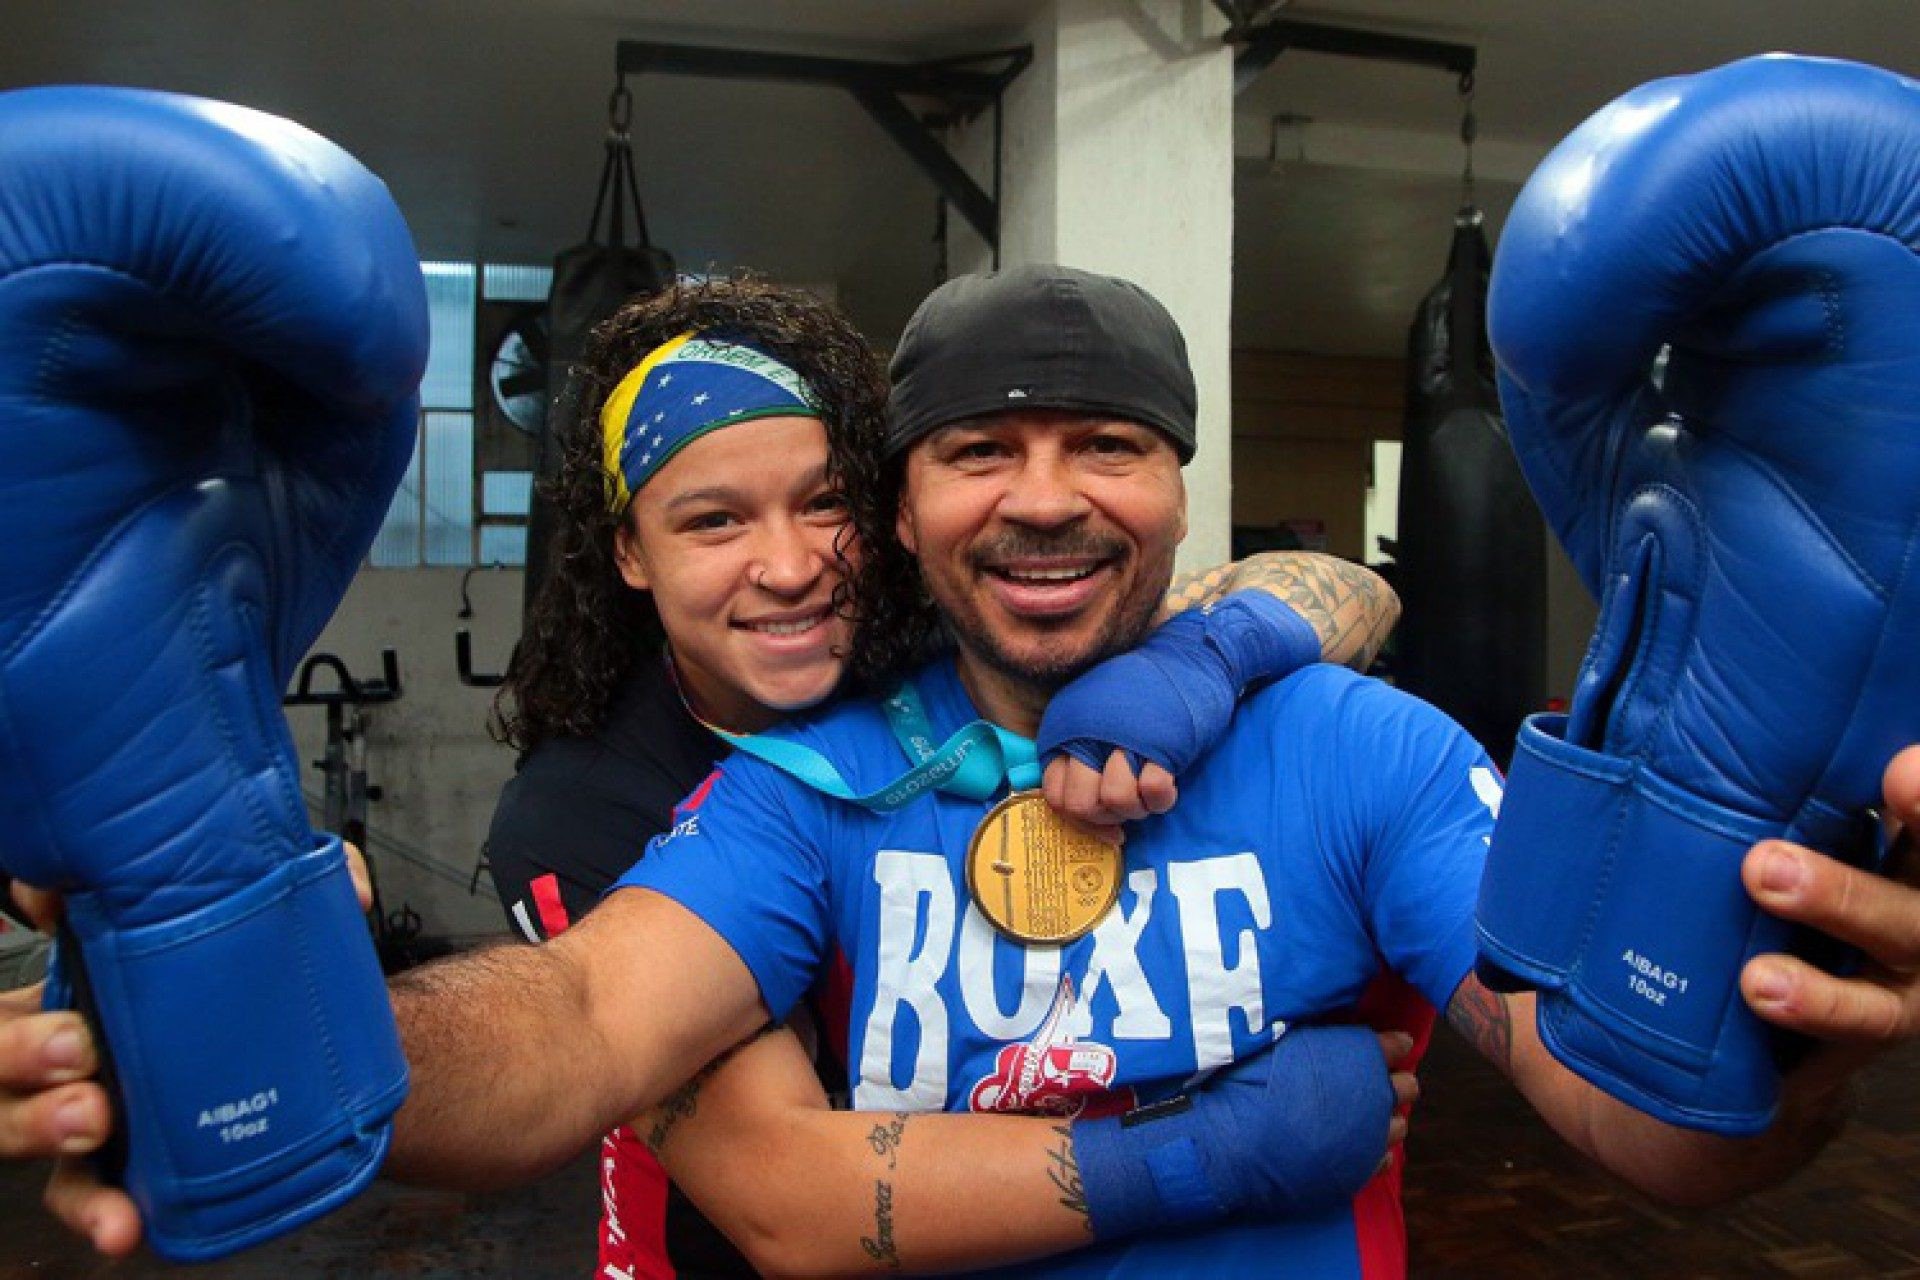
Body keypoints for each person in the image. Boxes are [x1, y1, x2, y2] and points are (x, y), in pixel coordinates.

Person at [11, 266, 1920, 1274]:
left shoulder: (1368, 755)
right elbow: (589, 1025)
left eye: (1109, 442)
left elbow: (1650, 1131)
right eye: (979, 451)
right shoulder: (798, 786)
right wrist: (279, 1018)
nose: (1047, 497)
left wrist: (1767, 1046)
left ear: (1182, 487)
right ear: (911, 511)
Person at [480, 274, 1406, 1277]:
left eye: (825, 502)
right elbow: (788, 1199)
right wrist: (1222, 1141)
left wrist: (1210, 653)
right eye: (715, 522)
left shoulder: (919, 638)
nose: (789, 567)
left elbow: (1352, 590)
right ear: (630, 550)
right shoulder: (585, 808)